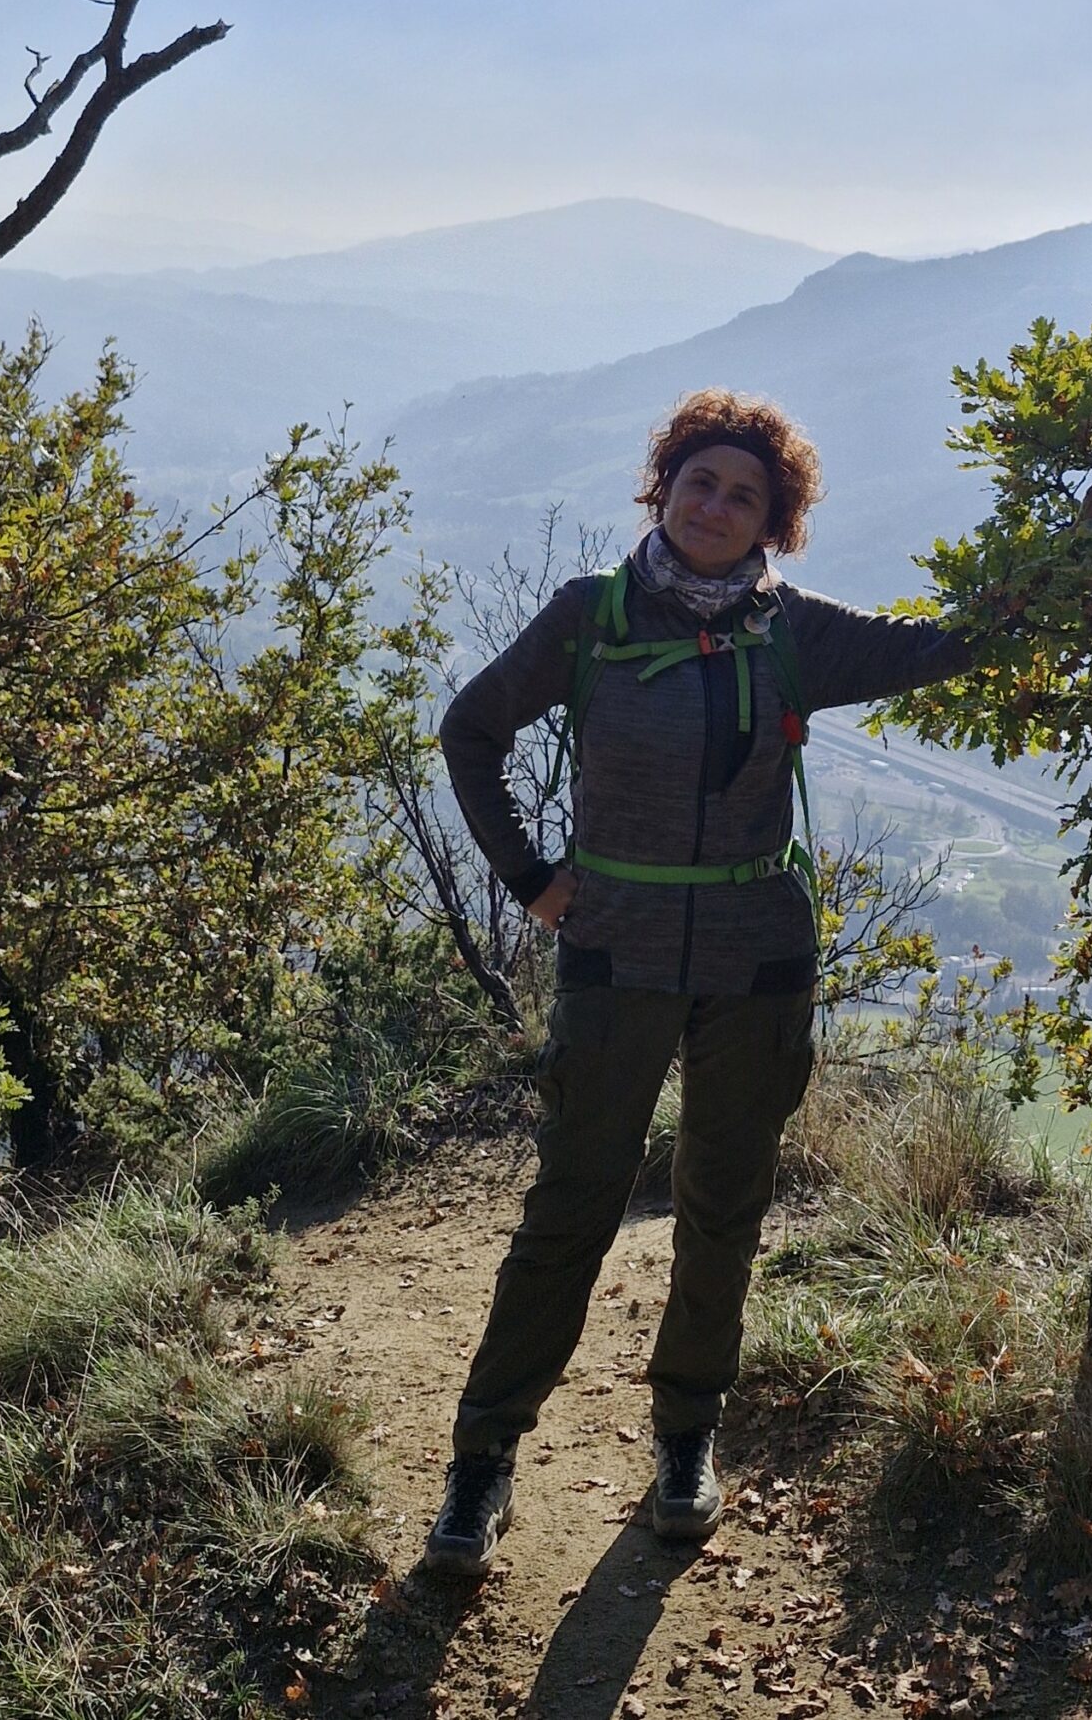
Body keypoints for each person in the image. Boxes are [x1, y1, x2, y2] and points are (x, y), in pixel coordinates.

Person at [422, 389, 985, 1576]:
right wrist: (532, 876)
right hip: (615, 951)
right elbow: (469, 728)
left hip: (756, 958)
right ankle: (484, 1456)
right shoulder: (591, 617)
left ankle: (686, 1433)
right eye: (700, 482)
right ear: (661, 487)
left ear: (776, 521)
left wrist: (1084, 555)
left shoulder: (795, 632)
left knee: (722, 1206)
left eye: (746, 494)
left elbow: (949, 644)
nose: (717, 506)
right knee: (571, 1205)